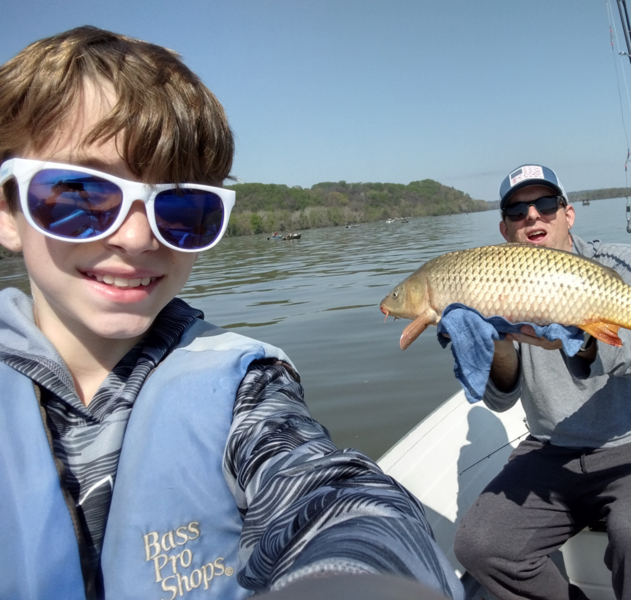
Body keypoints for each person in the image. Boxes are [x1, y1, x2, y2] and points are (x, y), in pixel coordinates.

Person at [0, 27, 462, 600]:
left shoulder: (247, 391)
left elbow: (329, 492)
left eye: (182, 208)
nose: (138, 238)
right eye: (82, 196)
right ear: (8, 213)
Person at [452, 164, 631, 600]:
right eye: (516, 211)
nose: (532, 216)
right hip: (556, 447)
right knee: (481, 545)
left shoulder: (618, 260)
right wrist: (494, 343)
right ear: (504, 229)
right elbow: (500, 400)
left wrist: (586, 344)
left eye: (545, 204)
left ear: (568, 214)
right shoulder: (490, 280)